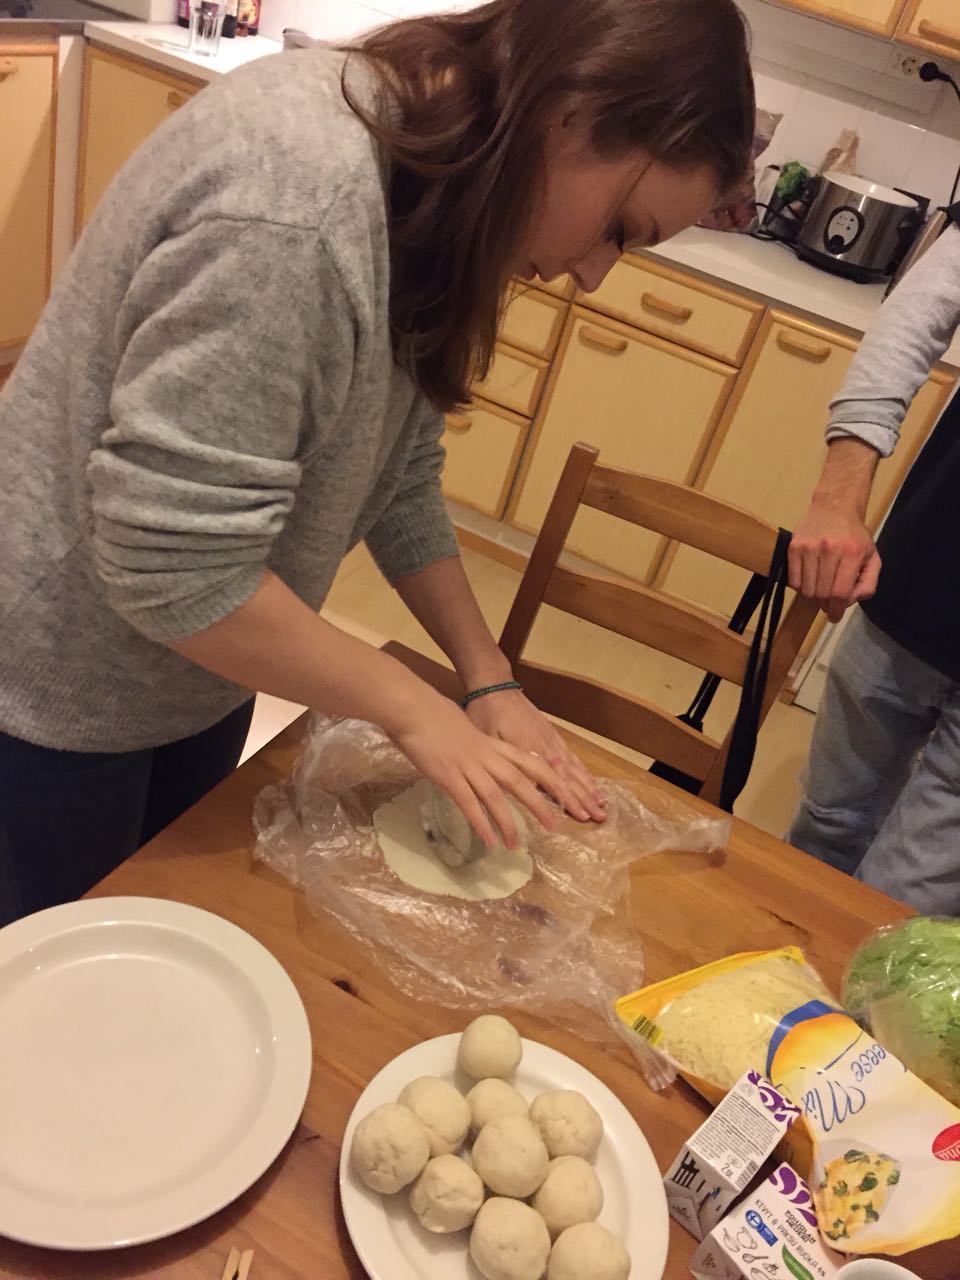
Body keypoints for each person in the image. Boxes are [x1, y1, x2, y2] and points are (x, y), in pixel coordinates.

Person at [0, 0, 755, 924]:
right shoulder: (302, 207)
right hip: (55, 677)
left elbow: (394, 467)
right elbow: (171, 564)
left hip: (206, 659)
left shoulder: (443, 190)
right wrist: (410, 706)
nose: (597, 274)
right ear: (573, 115)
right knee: (57, 973)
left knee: (167, 922)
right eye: (623, 230)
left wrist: (484, 675)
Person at [787, 206, 960, 915]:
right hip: (915, 582)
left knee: (901, 905)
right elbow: (921, 309)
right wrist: (837, 495)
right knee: (821, 833)